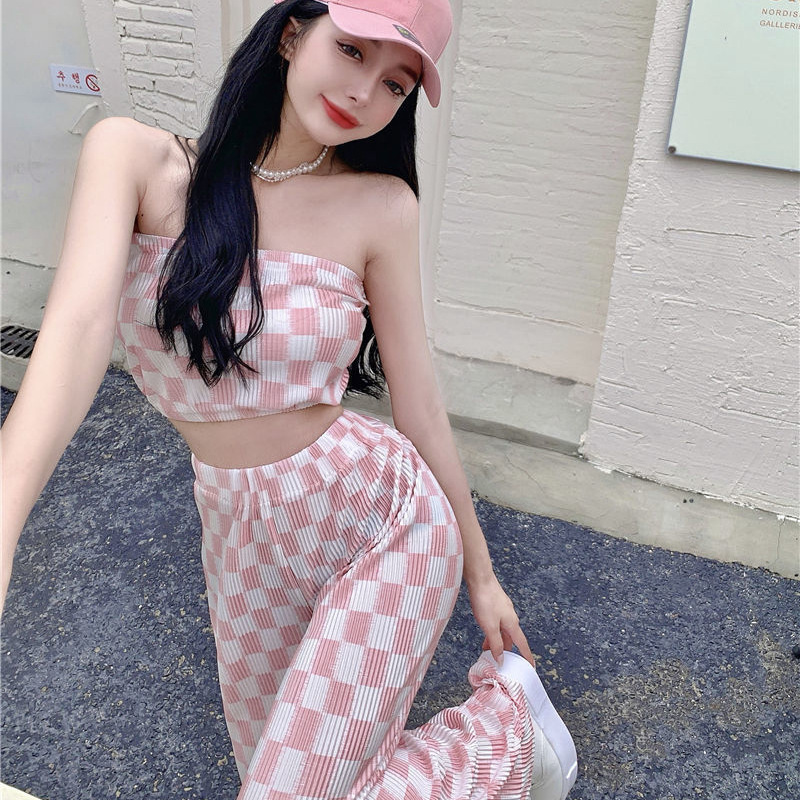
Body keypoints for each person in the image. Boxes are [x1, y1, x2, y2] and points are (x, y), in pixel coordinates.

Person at [0, 0, 578, 797]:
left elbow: (418, 407)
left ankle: (506, 734)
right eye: (352, 50)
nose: (366, 91)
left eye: (396, 83)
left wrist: (481, 575)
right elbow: (76, 329)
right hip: (236, 530)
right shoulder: (134, 158)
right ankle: (508, 744)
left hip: (384, 522)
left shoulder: (381, 206)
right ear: (292, 33)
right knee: (271, 771)